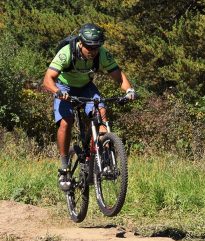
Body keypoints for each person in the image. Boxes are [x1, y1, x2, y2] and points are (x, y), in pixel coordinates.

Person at [43, 23, 136, 191]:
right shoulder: (66, 54)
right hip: (64, 88)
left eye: (96, 47)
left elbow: (118, 76)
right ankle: (64, 168)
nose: (92, 51)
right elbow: (48, 79)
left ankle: (105, 160)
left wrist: (129, 90)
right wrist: (57, 92)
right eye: (89, 47)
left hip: (86, 87)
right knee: (66, 122)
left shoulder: (102, 54)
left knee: (102, 114)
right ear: (80, 43)